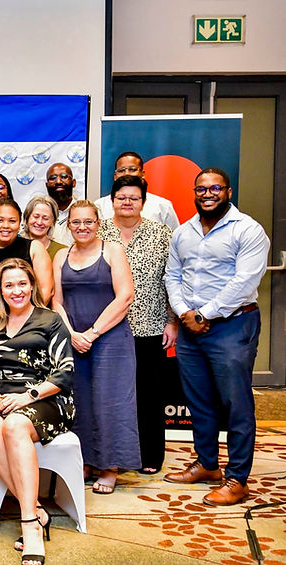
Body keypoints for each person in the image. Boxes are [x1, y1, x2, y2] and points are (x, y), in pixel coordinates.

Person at [163, 168, 269, 506]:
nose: (208, 194)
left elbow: (244, 282)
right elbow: (172, 274)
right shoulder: (184, 232)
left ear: (228, 191)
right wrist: (185, 313)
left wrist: (204, 314)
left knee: (235, 404)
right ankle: (208, 464)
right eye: (201, 189)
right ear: (194, 193)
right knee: (199, 401)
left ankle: (237, 478)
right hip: (191, 326)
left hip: (233, 325)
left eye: (215, 188)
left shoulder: (248, 230)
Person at [0, 258, 74, 565]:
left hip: (47, 397)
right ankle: (34, 508)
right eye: (9, 285)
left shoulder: (50, 319)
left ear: (31, 286)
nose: (16, 290)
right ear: (0, 290)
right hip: (5, 398)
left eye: (22, 283)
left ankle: (30, 525)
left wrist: (28, 396)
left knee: (14, 427)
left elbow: (64, 372)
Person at [52, 200, 139, 494]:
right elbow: (56, 302)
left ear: (98, 223)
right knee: (80, 401)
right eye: (76, 222)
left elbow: (125, 297)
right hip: (73, 338)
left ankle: (110, 467)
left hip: (110, 338)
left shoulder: (112, 250)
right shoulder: (61, 256)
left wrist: (92, 332)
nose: (82, 227)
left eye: (88, 221)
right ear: (68, 226)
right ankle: (86, 460)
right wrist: (73, 333)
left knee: (110, 402)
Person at [98, 175, 176, 475]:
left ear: (143, 201)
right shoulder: (98, 230)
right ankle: (109, 455)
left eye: (134, 198)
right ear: (112, 200)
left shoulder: (161, 234)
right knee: (110, 394)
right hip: (107, 327)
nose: (127, 202)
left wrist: (172, 321)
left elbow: (172, 279)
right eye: (121, 197)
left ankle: (150, 455)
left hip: (151, 325)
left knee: (148, 392)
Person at [0, 199, 54, 324]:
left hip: (30, 328)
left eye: (12, 221)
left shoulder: (34, 248)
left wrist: (25, 324)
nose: (5, 226)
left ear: (20, 223)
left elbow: (46, 291)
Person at [94, 152, 179, 229]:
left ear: (142, 174)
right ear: (115, 176)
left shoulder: (162, 206)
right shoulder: (100, 205)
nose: (127, 173)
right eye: (121, 170)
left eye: (132, 169)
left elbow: (173, 241)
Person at [22, 194, 67, 261]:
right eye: (36, 217)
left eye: (45, 218)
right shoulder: (15, 246)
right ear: (27, 218)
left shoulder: (62, 252)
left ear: (52, 222)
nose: (39, 222)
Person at [45, 163, 78, 245]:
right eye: (53, 178)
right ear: (46, 185)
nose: (58, 181)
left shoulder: (84, 212)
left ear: (73, 183)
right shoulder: (40, 215)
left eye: (64, 177)